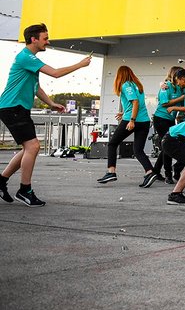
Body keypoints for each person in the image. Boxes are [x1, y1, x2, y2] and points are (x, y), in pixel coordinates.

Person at [0, 23, 91, 206]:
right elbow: (55, 73)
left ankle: (1, 181)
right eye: (45, 38)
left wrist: (50, 103)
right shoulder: (26, 57)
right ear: (34, 39)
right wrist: (80, 65)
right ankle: (25, 190)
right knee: (33, 146)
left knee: (29, 148)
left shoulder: (29, 59)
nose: (47, 42)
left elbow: (36, 87)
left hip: (17, 108)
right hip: (12, 107)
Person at [96, 66, 155, 187]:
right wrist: (124, 112)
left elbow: (135, 102)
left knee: (112, 144)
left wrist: (131, 120)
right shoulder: (137, 85)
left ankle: (111, 172)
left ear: (120, 75)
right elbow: (136, 104)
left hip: (132, 120)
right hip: (144, 121)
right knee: (138, 150)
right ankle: (149, 172)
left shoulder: (126, 85)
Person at [151, 67, 185, 184]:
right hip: (161, 118)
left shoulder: (180, 88)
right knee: (167, 145)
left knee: (166, 146)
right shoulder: (166, 86)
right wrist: (181, 98)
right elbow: (164, 103)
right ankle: (167, 174)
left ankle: (156, 171)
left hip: (171, 119)